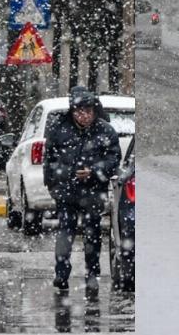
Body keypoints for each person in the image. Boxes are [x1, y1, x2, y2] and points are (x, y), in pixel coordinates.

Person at [44, 86, 121, 299]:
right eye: (79, 111)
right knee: (65, 233)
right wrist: (54, 183)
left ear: (94, 111)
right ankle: (61, 274)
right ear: (72, 111)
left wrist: (94, 172)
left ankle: (93, 274)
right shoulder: (60, 128)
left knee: (92, 234)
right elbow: (50, 160)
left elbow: (113, 159)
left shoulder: (105, 131)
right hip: (66, 192)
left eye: (87, 111)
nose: (83, 116)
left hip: (93, 192)